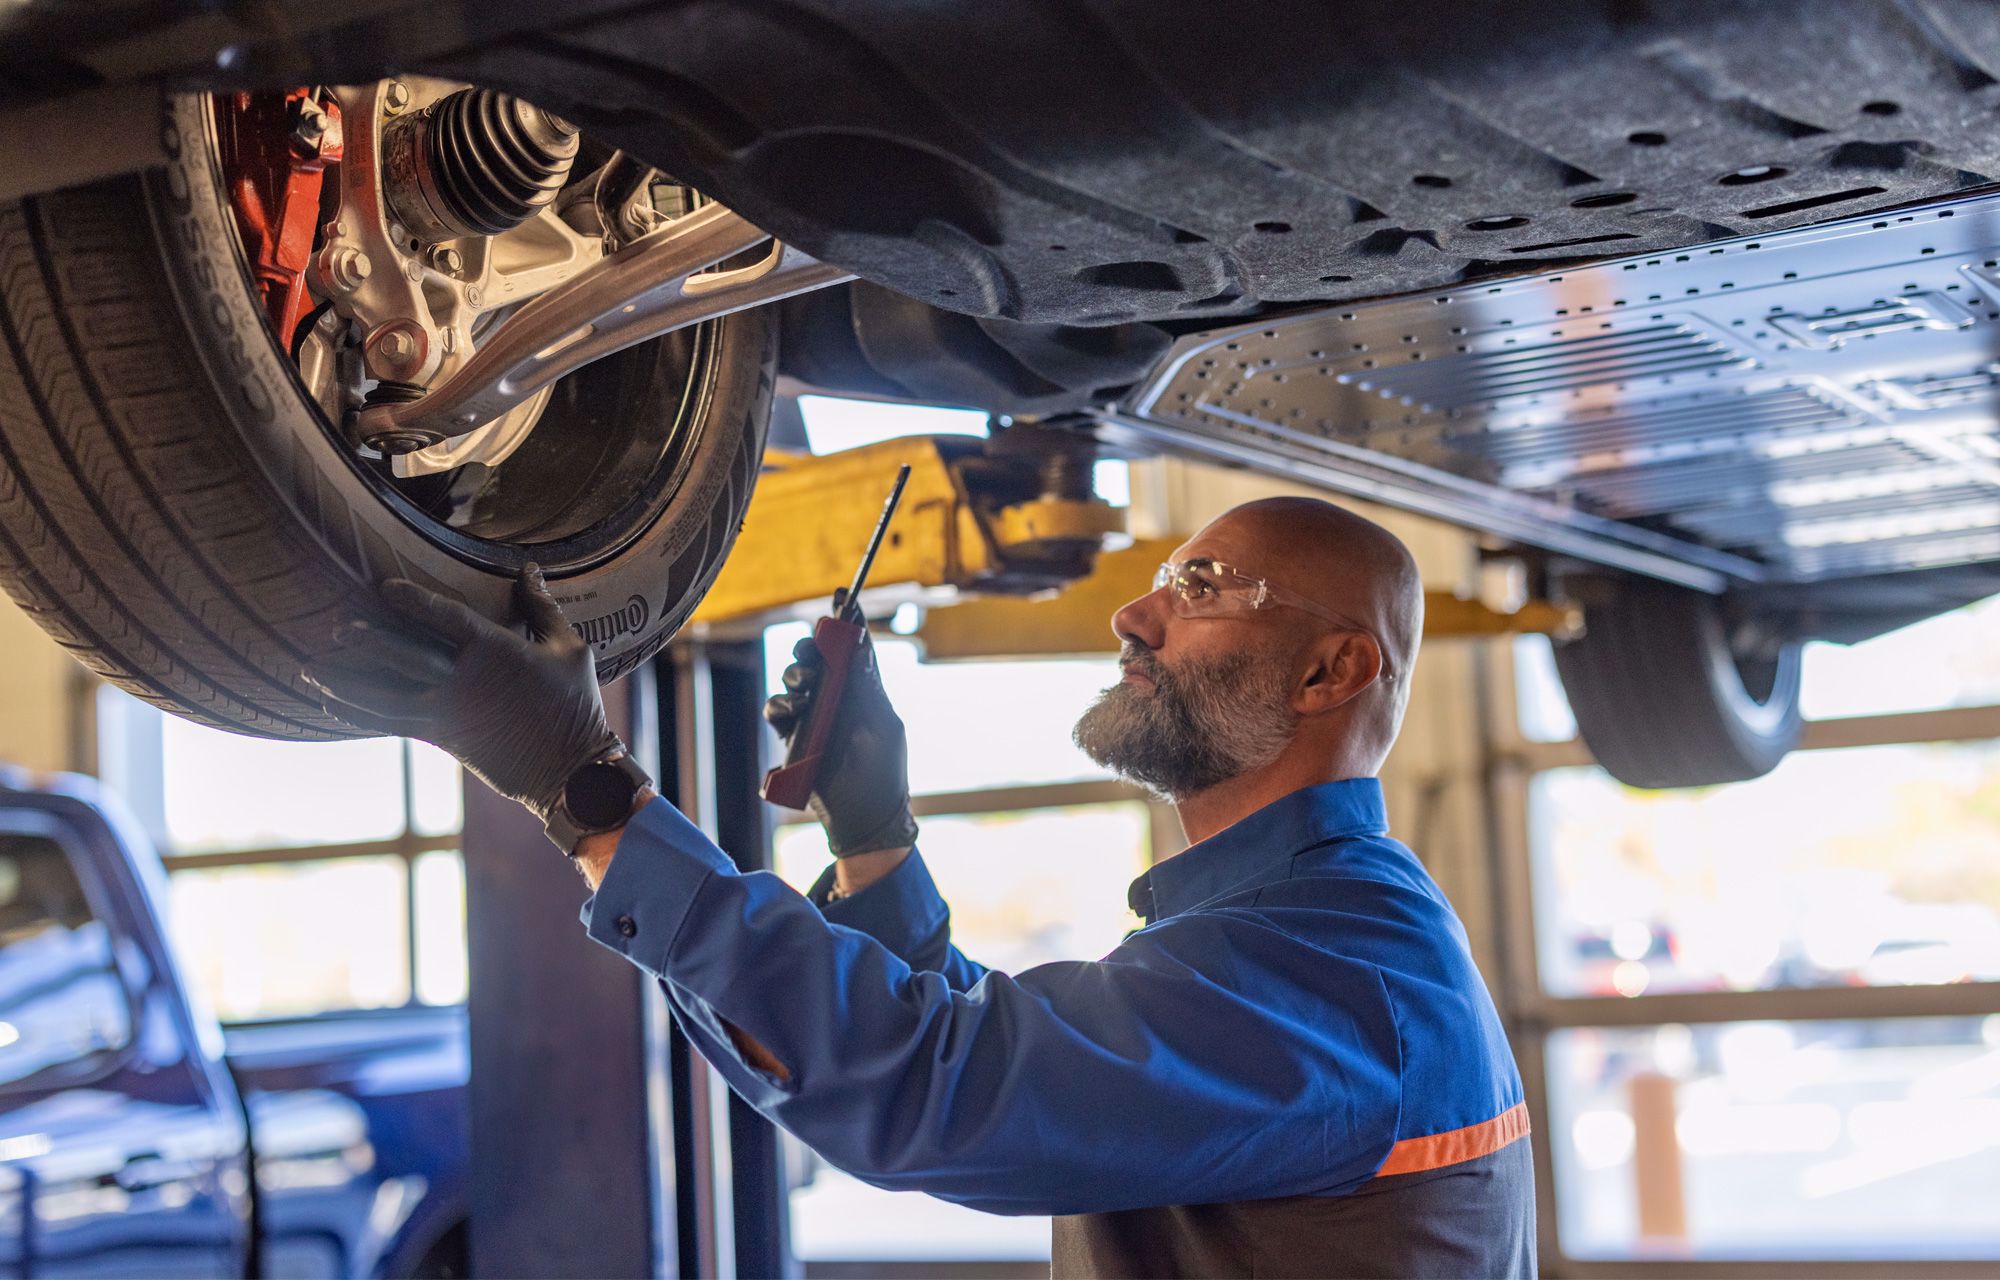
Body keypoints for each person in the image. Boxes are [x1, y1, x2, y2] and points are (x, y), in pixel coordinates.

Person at [304, 496, 1534, 1278]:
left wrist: (583, 790)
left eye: (1201, 587)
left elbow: (943, 1088)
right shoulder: (1308, 931)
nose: (1133, 613)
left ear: (1331, 669)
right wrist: (873, 832)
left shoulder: (1339, 978)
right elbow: (1017, 1067)